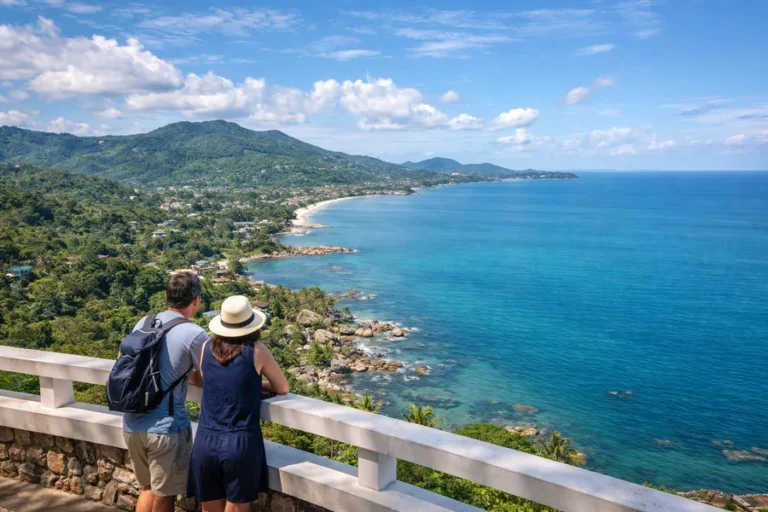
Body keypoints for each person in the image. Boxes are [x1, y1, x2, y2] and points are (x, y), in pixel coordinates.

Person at [187, 295, 290, 512]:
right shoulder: (257, 351)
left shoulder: (207, 347)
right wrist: (256, 384)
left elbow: (207, 380)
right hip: (239, 442)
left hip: (205, 440)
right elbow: (282, 388)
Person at [123, 272, 209, 512]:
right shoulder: (195, 334)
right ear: (195, 300)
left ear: (167, 297)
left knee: (147, 489)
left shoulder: (144, 322)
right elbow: (206, 378)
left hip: (132, 422)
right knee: (165, 496)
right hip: (166, 427)